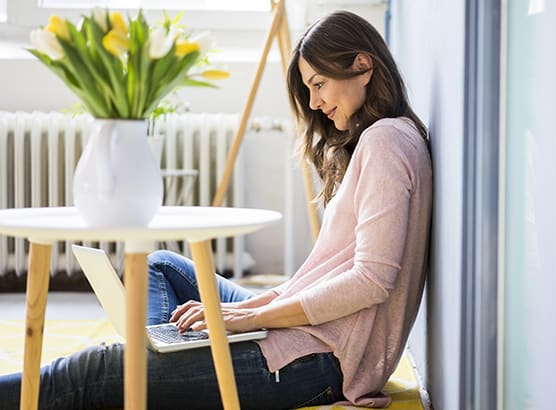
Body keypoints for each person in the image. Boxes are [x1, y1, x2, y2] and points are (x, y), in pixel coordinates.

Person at [0, 10, 432, 409]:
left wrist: (252, 317)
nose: (314, 103)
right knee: (164, 266)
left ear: (362, 65)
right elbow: (333, 277)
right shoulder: (390, 137)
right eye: (309, 89)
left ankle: (152, 371)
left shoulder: (385, 143)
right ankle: (168, 359)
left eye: (318, 84)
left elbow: (371, 282)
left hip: (322, 359)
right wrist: (243, 313)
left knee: (96, 369)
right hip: (312, 332)